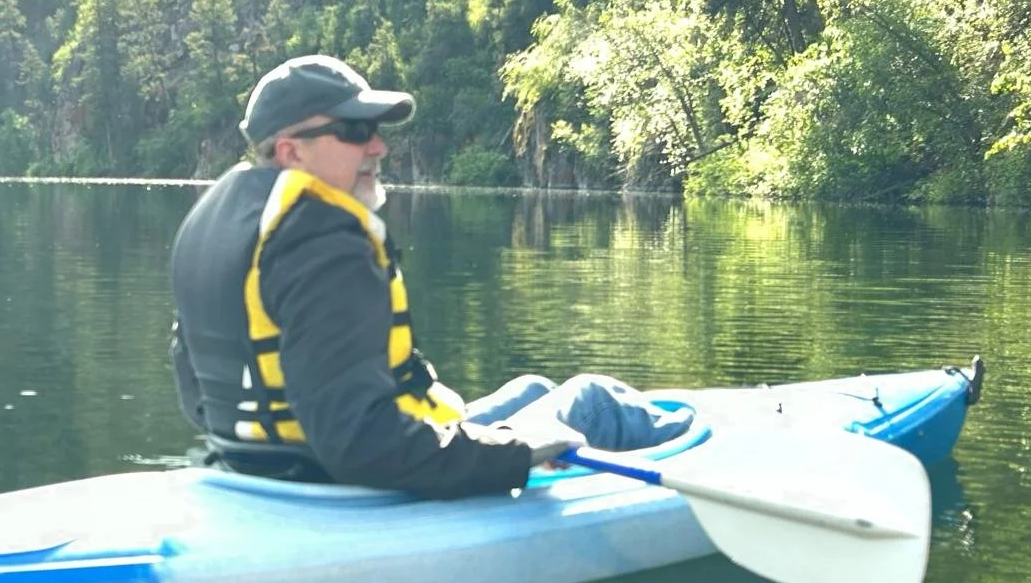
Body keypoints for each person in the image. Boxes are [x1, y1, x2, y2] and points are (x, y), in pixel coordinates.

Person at [169, 54, 692, 500]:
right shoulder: (323, 243)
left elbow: (196, 393)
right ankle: (724, 450)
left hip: (263, 473)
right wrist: (511, 454)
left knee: (533, 387)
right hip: (339, 485)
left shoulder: (217, 224)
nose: (378, 147)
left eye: (374, 131)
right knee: (593, 401)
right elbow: (357, 443)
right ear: (291, 151)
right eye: (355, 131)